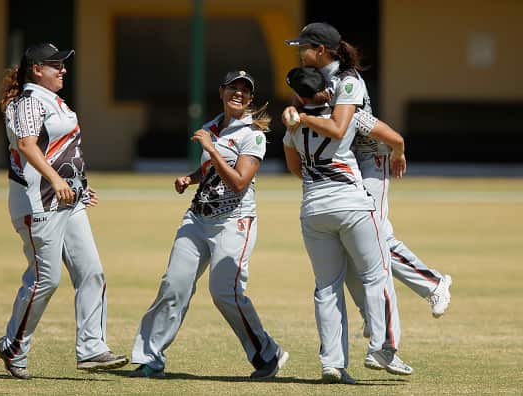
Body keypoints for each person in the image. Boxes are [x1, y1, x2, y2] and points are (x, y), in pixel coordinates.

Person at [284, 22, 451, 330]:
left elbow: (359, 124)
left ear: (320, 50)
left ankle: (434, 282)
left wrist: (397, 146)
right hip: (345, 166)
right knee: (350, 245)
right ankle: (372, 316)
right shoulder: (317, 80)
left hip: (369, 161)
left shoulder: (347, 81)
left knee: (377, 238)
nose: (299, 55)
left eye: (303, 48)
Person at [128, 70, 288, 379]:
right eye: (233, 87)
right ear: (221, 92)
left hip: (233, 221)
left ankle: (268, 354)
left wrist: (212, 149)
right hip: (198, 217)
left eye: (245, 89)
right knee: (173, 284)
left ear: (250, 98)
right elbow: (211, 171)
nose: (238, 93)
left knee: (224, 291)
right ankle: (150, 359)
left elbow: (239, 182)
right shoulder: (210, 127)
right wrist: (191, 177)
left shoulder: (252, 134)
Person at [0, 43, 128, 380]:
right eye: (57, 65)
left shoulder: (55, 101)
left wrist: (78, 186)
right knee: (45, 279)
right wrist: (55, 180)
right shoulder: (26, 102)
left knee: (92, 272)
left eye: (63, 64)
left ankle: (92, 348)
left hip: (66, 201)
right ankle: (14, 345)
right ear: (37, 69)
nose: (64, 70)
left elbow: (61, 150)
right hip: (37, 201)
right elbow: (26, 145)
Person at [282, 67, 410, 384]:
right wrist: (397, 152)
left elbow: (293, 167)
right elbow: (394, 138)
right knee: (376, 274)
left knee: (326, 287)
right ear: (328, 89)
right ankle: (381, 347)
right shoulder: (349, 116)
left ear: (299, 96)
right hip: (352, 204)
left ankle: (332, 363)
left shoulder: (291, 125)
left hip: (313, 209)